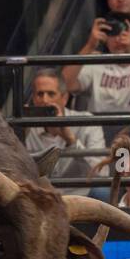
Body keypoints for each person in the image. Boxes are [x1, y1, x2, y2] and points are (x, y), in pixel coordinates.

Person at [63, 12, 130, 117]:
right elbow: (65, 85)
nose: (118, 39)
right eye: (113, 34)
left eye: (124, 34)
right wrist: (89, 46)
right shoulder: (95, 62)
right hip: (98, 129)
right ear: (106, 39)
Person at [22, 68, 105, 196]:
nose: (45, 100)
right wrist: (22, 132)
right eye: (40, 94)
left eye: (51, 94)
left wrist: (71, 140)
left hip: (79, 197)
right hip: (39, 197)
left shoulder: (87, 122)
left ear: (64, 98)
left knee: (102, 192)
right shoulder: (25, 128)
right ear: (33, 99)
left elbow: (102, 172)